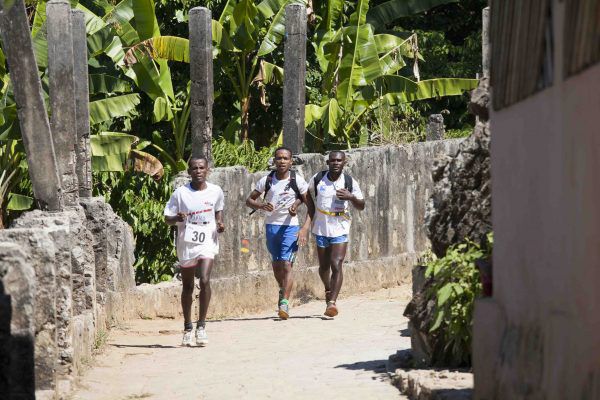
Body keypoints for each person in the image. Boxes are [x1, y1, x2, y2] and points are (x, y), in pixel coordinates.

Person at [164, 157, 225, 346]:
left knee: (205, 279)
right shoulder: (180, 194)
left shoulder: (216, 191)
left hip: (207, 235)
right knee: (188, 286)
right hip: (187, 238)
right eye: (194, 168)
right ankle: (188, 327)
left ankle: (202, 326)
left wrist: (220, 224)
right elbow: (167, 218)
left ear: (208, 170)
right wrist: (177, 217)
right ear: (189, 171)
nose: (198, 171)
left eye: (201, 168)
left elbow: (218, 212)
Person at [246, 146, 311, 319]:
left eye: (285, 158)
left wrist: (303, 228)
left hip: (290, 227)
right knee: (276, 265)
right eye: (279, 158)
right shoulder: (267, 180)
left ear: (291, 161)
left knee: (287, 265)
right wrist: (261, 205)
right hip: (271, 227)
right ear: (274, 161)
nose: (282, 161)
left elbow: (310, 205)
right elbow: (249, 200)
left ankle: (284, 304)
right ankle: (283, 290)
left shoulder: (298, 181)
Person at [299, 151, 365, 317]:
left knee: (336, 263)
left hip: (340, 225)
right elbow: (306, 194)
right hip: (321, 226)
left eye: (339, 160)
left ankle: (332, 303)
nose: (335, 163)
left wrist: (351, 197)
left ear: (344, 162)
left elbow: (361, 204)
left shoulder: (349, 181)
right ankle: (328, 288)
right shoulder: (318, 178)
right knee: (323, 267)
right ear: (328, 162)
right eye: (332, 160)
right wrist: (299, 205)